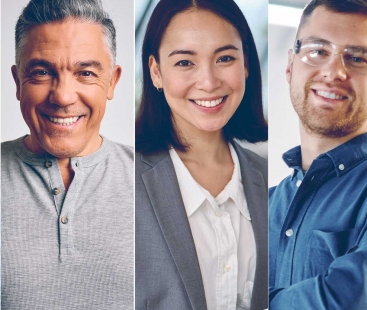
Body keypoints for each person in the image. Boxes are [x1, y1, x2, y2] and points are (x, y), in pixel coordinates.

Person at [134, 0, 268, 309]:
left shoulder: (269, 178)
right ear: (156, 72)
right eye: (185, 62)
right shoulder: (122, 179)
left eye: (224, 58)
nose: (209, 82)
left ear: (246, 63)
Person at [267, 0, 367, 308]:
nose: (333, 71)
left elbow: (356, 298)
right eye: (317, 51)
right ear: (290, 65)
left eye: (357, 58)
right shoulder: (263, 203)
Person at [0, 0, 133, 308]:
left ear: (112, 81)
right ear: (18, 81)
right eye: (41, 73)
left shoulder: (147, 178)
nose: (62, 96)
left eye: (85, 72)